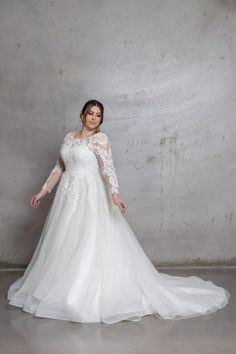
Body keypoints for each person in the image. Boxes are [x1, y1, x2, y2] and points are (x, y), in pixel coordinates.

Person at [7, 100, 230, 324]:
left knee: (88, 241)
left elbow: (108, 168)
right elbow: (59, 167)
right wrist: (43, 191)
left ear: (101, 120)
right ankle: (61, 288)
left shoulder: (100, 139)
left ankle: (80, 293)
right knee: (64, 241)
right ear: (83, 114)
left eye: (98, 115)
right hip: (67, 196)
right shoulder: (69, 137)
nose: (94, 118)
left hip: (90, 196)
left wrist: (115, 193)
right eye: (90, 113)